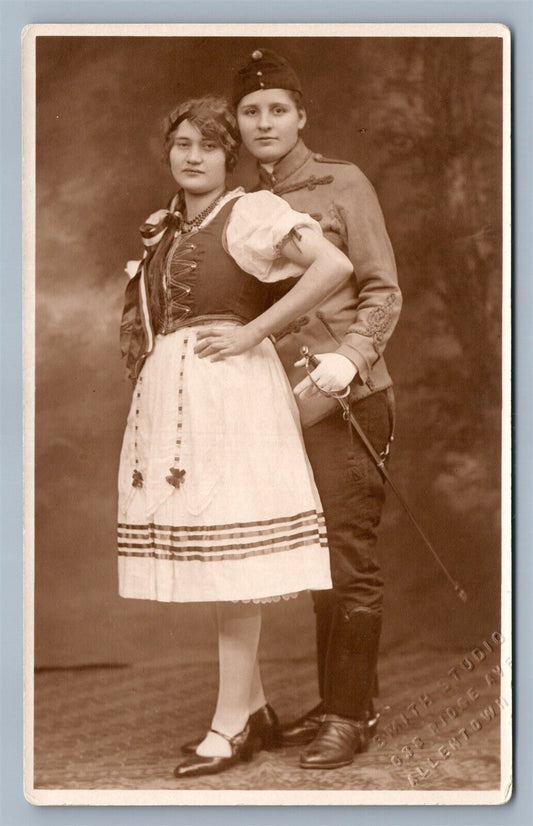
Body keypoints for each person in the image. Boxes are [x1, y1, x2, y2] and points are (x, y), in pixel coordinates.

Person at [117, 95, 353, 779]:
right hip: (183, 397)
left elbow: (332, 267)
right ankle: (251, 710)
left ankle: (228, 727)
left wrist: (254, 331)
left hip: (232, 395)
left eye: (207, 146)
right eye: (181, 145)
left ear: (231, 156)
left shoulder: (250, 212)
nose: (191, 157)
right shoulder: (167, 226)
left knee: (237, 561)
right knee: (220, 560)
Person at [226, 49, 403, 769]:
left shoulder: (342, 184)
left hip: (349, 398)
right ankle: (337, 703)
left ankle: (352, 716)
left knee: (349, 557)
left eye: (277, 109)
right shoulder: (238, 202)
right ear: (235, 126)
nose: (264, 122)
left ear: (301, 116)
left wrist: (349, 358)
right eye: (250, 111)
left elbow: (382, 290)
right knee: (314, 559)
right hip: (282, 404)